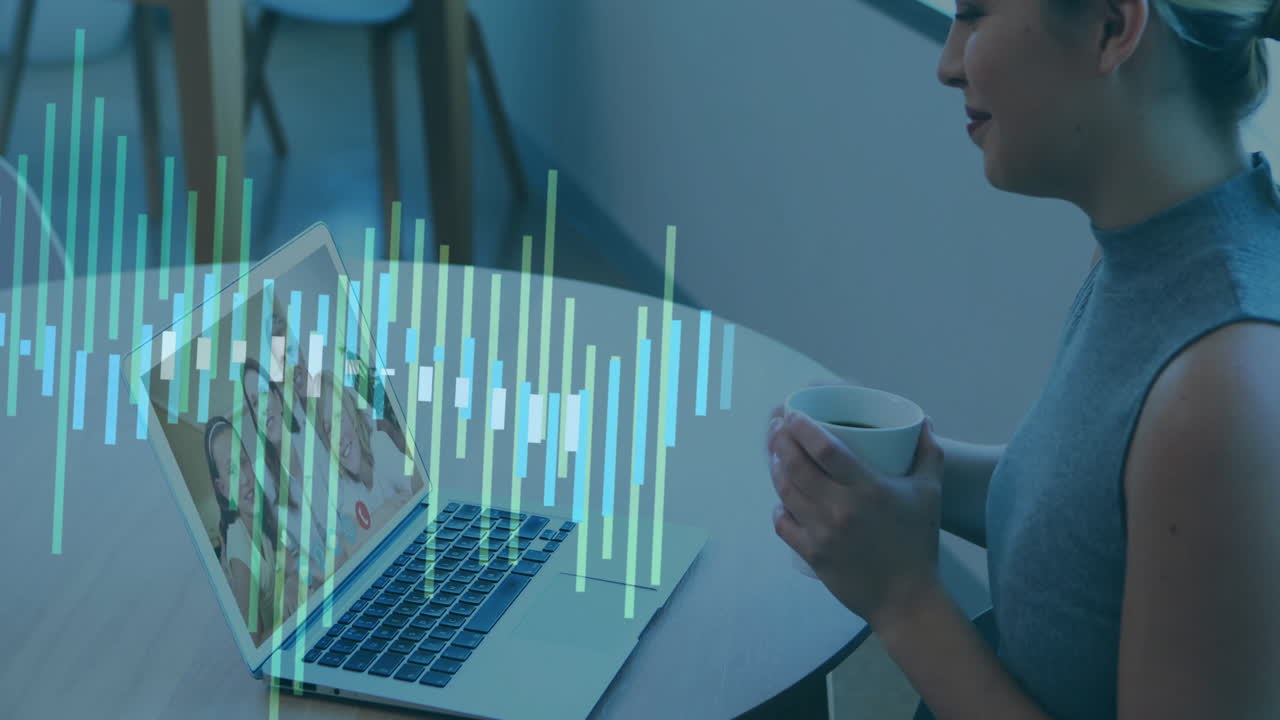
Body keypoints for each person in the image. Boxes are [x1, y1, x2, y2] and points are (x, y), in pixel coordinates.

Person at [765, 2, 1280, 719]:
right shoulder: (1154, 249)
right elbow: (1092, 507)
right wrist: (905, 472)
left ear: (1111, 27)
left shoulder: (1224, 387)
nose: (948, 62)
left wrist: (901, 598)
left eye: (975, 14)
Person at [205, 415, 298, 645]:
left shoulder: (258, 517)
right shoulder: (240, 553)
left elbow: (294, 566)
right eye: (232, 470)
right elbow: (255, 644)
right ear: (223, 488)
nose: (246, 478)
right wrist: (295, 618)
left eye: (244, 461)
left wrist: (291, 585)